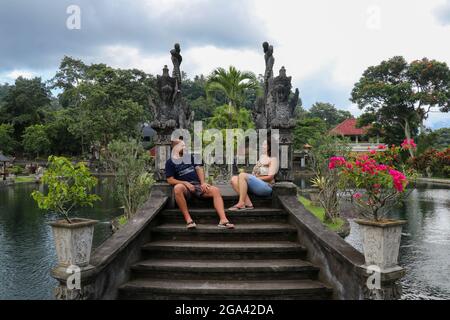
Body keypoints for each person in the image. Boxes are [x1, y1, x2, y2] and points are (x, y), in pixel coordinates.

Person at [166, 139, 235, 229]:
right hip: (185, 188)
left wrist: (202, 183)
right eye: (182, 146)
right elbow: (170, 180)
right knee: (177, 188)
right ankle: (189, 220)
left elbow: (199, 169)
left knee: (215, 190)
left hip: (197, 185)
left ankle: (223, 220)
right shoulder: (170, 162)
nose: (185, 147)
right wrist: (185, 183)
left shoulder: (190, 157)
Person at [229, 139, 278, 211]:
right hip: (256, 184)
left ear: (269, 147)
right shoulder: (262, 157)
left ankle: (241, 202)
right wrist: (252, 177)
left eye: (264, 145)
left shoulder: (273, 159)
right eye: (262, 144)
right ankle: (248, 204)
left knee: (242, 175)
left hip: (266, 187)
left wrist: (255, 178)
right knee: (233, 179)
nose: (262, 146)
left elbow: (270, 177)